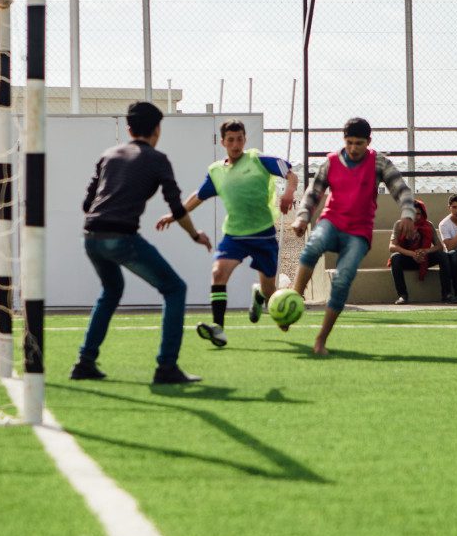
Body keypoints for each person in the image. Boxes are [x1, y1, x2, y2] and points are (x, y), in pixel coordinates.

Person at [72, 101, 212, 385]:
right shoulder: (158, 160)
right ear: (157, 129)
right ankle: (166, 367)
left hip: (91, 237)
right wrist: (195, 235)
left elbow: (88, 204)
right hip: (120, 237)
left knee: (112, 290)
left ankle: (85, 362)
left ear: (129, 128)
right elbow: (176, 207)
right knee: (175, 288)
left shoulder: (108, 155)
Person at [156, 119, 298, 347]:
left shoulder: (258, 160)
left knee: (270, 291)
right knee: (218, 273)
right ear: (222, 142)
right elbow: (197, 197)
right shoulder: (216, 172)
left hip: (263, 236)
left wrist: (289, 192)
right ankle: (219, 329)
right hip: (234, 236)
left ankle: (259, 295)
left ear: (244, 140)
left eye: (240, 139)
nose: (235, 144)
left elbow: (291, 174)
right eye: (230, 140)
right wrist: (174, 214)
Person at [290, 117, 416, 355]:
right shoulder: (331, 162)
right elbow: (313, 192)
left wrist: (408, 213)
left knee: (342, 280)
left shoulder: (379, 163)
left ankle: (321, 340)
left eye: (359, 143)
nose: (354, 148)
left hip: (358, 232)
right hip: (331, 222)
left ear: (368, 141)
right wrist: (303, 216)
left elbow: (402, 189)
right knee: (313, 246)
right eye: (349, 142)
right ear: (343, 140)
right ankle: (294, 300)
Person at [388, 199, 457, 304]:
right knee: (395, 257)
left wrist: (425, 251)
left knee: (443, 255)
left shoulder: (428, 225)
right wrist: (413, 254)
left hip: (425, 258)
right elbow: (392, 246)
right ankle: (402, 295)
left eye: (418, 214)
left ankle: (447, 294)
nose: (415, 216)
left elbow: (439, 247)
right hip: (408, 258)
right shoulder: (399, 224)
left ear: (423, 214)